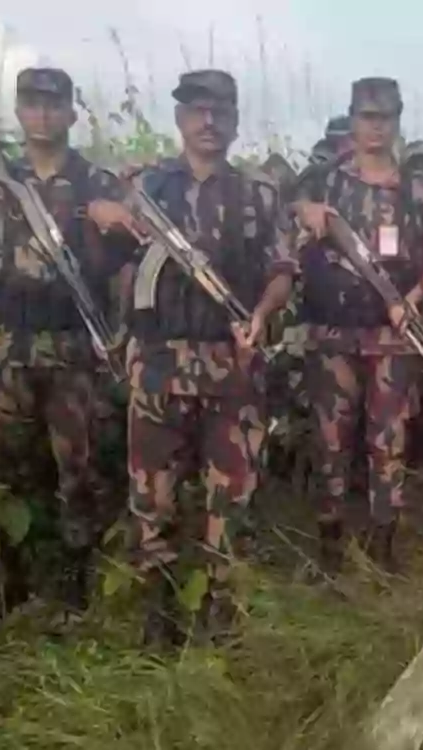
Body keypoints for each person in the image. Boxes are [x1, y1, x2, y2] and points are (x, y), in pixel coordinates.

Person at [91, 70, 298, 644]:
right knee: (150, 498)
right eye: (197, 111)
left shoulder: (257, 193)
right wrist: (101, 214)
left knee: (230, 499)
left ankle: (219, 619)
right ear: (180, 117)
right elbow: (102, 255)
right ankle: (158, 618)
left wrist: (260, 312)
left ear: (234, 120)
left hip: (230, 367)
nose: (209, 122)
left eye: (220, 112)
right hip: (158, 363)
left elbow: (282, 268)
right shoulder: (146, 185)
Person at [0, 68, 127, 611]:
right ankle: (14, 583)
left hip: (72, 348)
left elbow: (120, 265)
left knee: (79, 473)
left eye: (54, 104)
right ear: (19, 111)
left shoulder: (95, 183)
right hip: (11, 348)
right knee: (11, 470)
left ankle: (74, 586)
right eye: (32, 104)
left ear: (71, 112)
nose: (43, 114)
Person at [293, 78, 423, 572]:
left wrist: (413, 298)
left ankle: (383, 549)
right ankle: (331, 545)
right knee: (331, 441)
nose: (375, 127)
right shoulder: (323, 180)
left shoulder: (417, 191)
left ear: (397, 122)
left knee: (388, 444)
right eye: (366, 117)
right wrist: (306, 210)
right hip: (331, 334)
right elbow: (285, 211)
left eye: (385, 118)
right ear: (353, 120)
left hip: (391, 336)